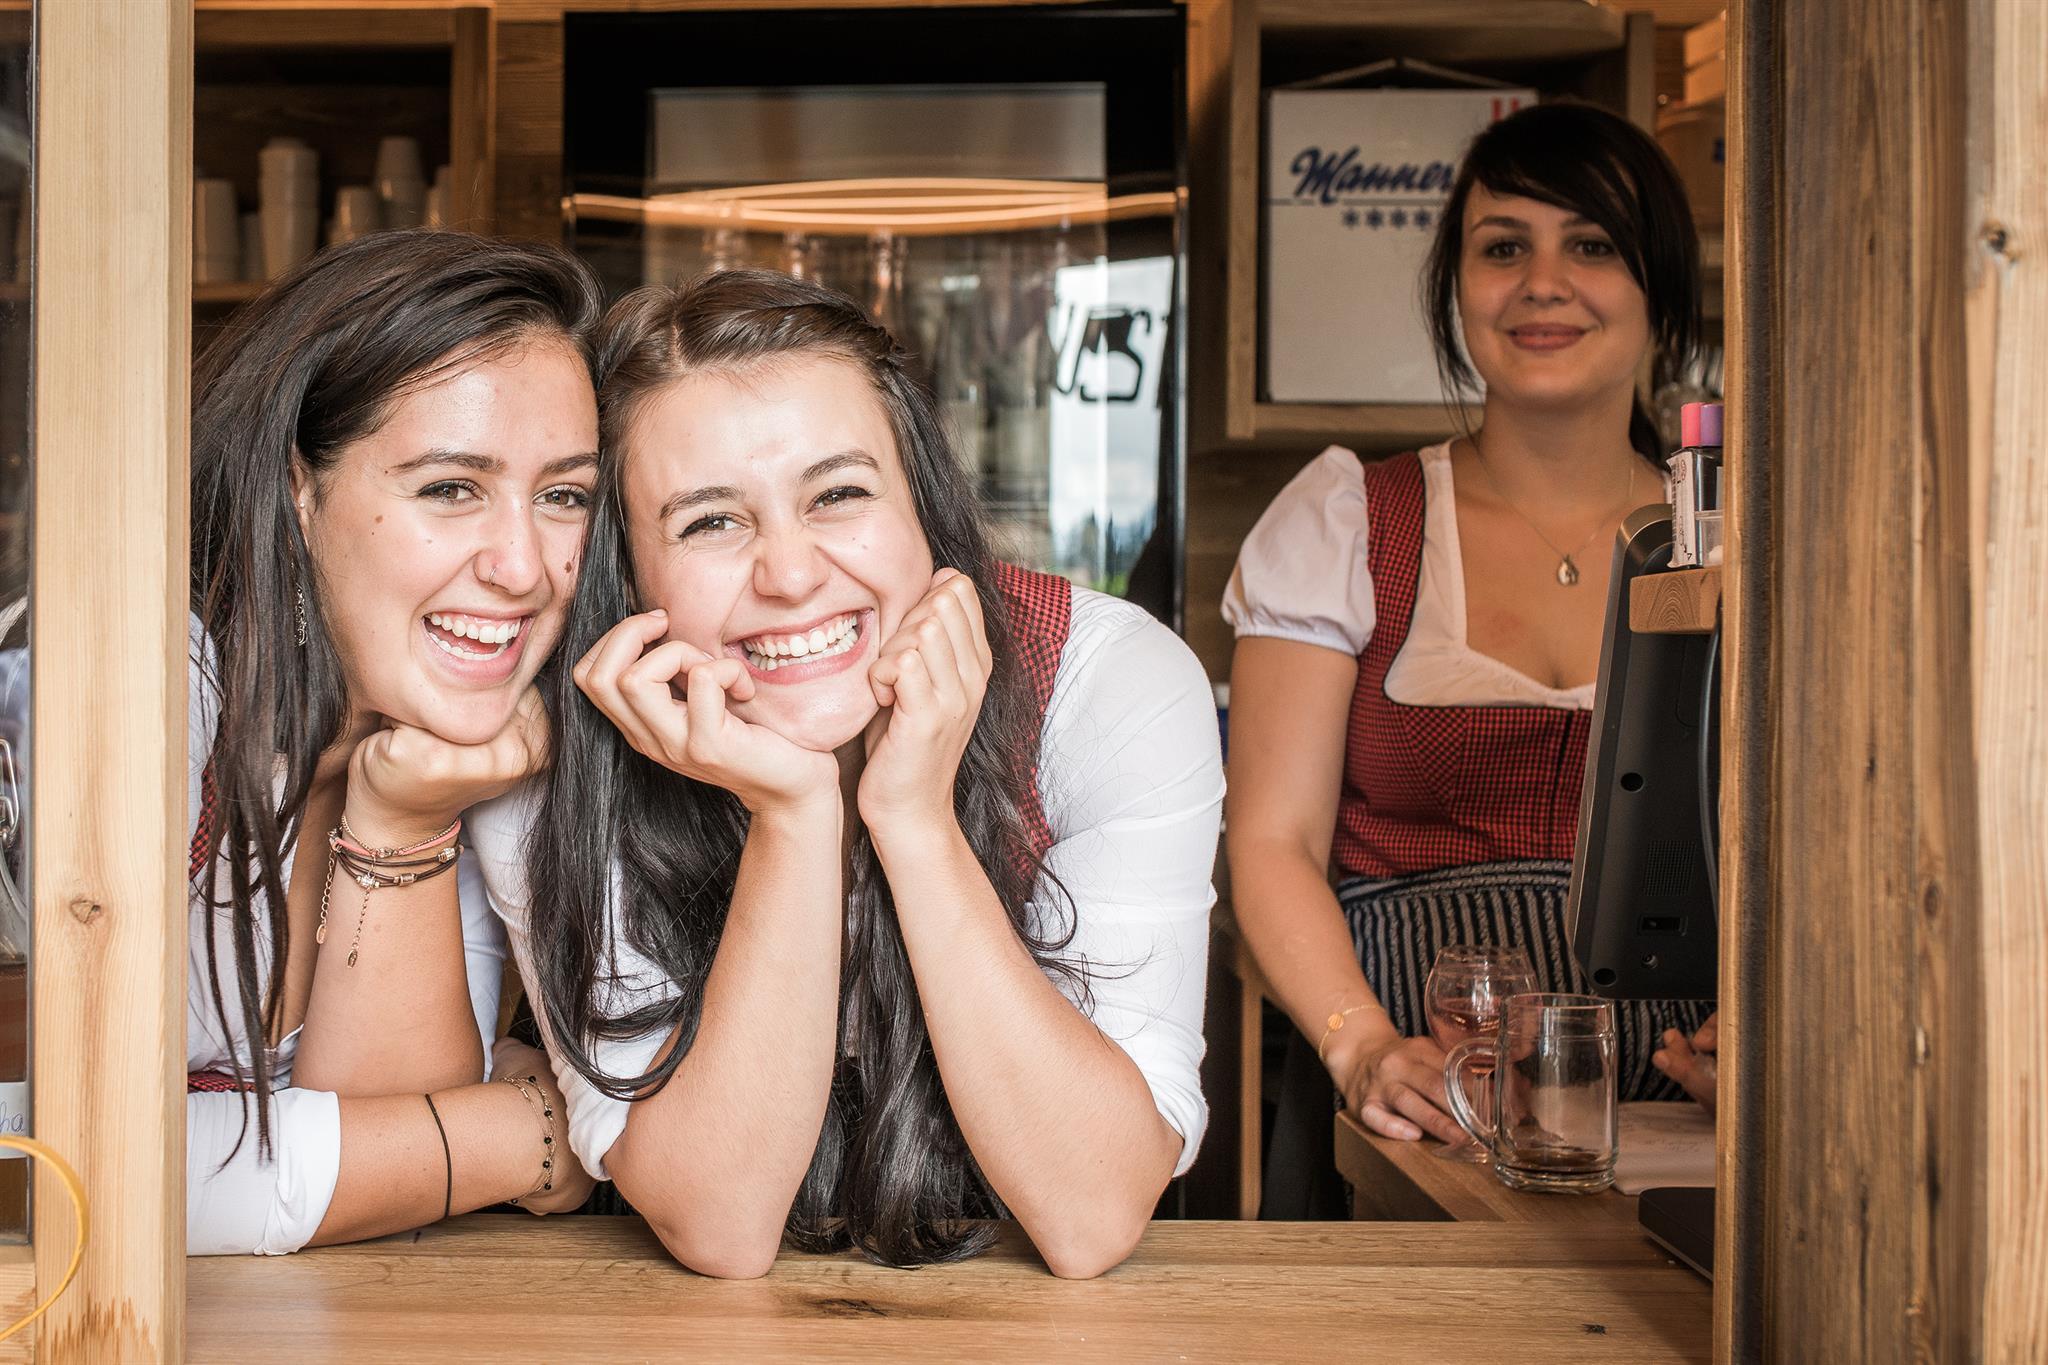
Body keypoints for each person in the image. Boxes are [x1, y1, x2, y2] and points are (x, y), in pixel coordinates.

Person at [471, 270, 1221, 1279]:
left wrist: (913, 819)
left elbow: (1093, 1212)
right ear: (628, 572)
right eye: (709, 521)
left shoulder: (1109, 684)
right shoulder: (549, 758)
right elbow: (721, 1224)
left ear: (923, 507)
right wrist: (792, 812)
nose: (790, 575)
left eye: (839, 494)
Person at [1223, 102, 1716, 1165]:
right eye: (1503, 248)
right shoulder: (1351, 521)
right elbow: (1271, 841)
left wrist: (1769, 1031)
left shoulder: (1732, 543)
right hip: (1411, 1108)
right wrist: (1360, 1045)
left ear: (1661, 289)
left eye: (1592, 245)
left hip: (1683, 1120)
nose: (1543, 282)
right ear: (1457, 288)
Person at [184, 230, 602, 1254]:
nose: (524, 568)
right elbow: (67, 1159)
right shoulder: (149, 689)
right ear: (299, 490)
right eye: (451, 488)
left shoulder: (466, 745)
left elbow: (390, 1164)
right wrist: (533, 1136)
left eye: (563, 496)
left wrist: (403, 815)